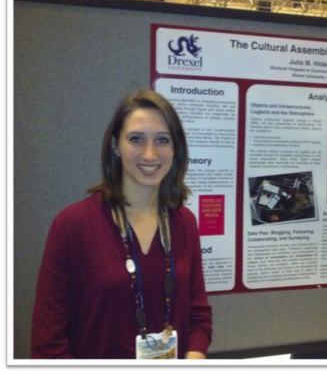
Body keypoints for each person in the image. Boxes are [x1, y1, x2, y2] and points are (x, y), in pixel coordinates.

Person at [31, 89, 212, 359]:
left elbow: (198, 316)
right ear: (116, 146)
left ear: (176, 149)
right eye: (136, 139)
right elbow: (48, 344)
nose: (150, 154)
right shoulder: (72, 226)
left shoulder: (184, 223)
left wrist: (194, 358)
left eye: (162, 140)